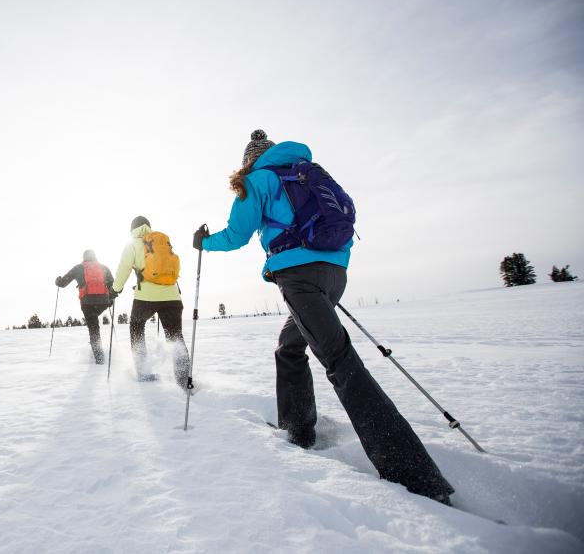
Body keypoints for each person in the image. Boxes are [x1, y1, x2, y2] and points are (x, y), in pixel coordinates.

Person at [193, 129, 454, 504]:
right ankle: (297, 429)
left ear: (251, 158)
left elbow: (237, 235)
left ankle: (416, 476)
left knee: (340, 362)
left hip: (299, 278)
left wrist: (204, 241)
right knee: (289, 347)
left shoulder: (259, 179)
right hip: (335, 273)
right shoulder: (308, 171)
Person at [111, 216, 190, 387]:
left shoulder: (132, 245)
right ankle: (184, 380)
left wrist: (116, 289)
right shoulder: (161, 241)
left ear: (132, 229)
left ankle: (143, 371)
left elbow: (123, 268)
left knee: (136, 326)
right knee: (175, 336)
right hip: (172, 297)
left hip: (145, 297)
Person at [55, 250, 114, 364]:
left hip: (87, 302)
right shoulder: (103, 267)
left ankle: (99, 358)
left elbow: (62, 283)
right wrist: (110, 299)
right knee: (94, 322)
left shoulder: (79, 268)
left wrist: (58, 281)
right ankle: (96, 350)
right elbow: (114, 285)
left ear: (84, 257)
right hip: (103, 302)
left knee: (93, 328)